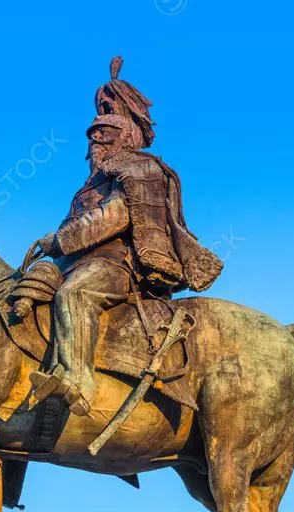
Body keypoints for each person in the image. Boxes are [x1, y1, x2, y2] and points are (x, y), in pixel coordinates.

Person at [26, 59, 222, 416]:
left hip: (117, 266)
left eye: (102, 137)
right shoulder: (93, 182)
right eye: (92, 137)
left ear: (123, 137)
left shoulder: (138, 168)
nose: (93, 145)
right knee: (27, 290)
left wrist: (60, 239)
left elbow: (114, 218)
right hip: (75, 263)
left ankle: (77, 381)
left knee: (75, 295)